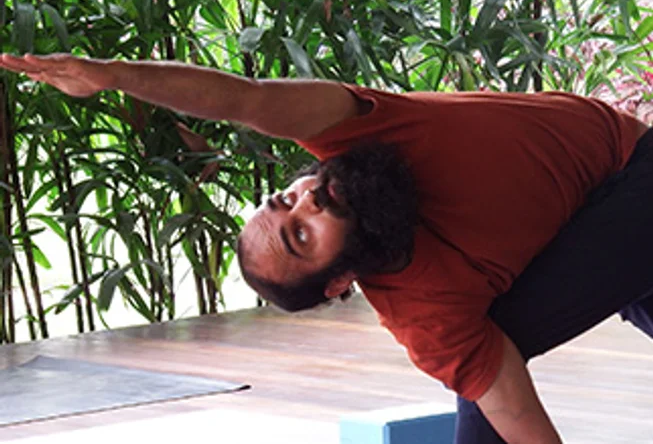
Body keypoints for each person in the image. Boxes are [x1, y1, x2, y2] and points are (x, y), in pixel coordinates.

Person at [1, 53, 651, 444]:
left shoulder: (354, 130)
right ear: (340, 281)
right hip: (597, 228)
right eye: (301, 235)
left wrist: (113, 76)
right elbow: (515, 414)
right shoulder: (426, 316)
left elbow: (240, 98)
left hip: (628, 164)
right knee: (486, 368)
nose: (307, 200)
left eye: (283, 200)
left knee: (499, 341)